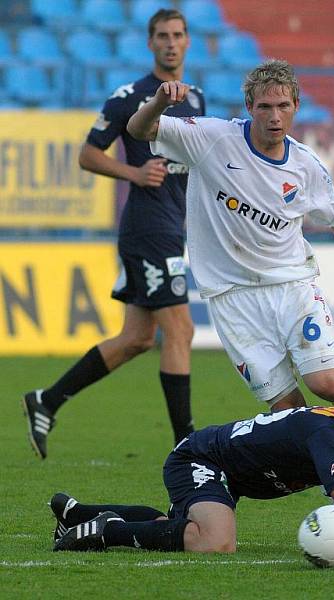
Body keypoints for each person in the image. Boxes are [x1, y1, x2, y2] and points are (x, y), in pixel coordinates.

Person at [125, 60, 334, 412]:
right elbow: (138, 130)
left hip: (292, 285)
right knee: (288, 411)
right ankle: (328, 461)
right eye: (265, 107)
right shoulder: (213, 137)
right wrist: (158, 102)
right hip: (232, 296)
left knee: (326, 385)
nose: (274, 116)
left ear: (296, 106)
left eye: (283, 106)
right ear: (249, 108)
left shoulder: (306, 165)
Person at [22, 9, 203, 459]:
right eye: (162, 35)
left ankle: (48, 400)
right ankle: (187, 445)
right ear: (149, 42)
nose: (170, 42)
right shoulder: (129, 96)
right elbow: (87, 154)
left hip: (172, 228)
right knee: (180, 330)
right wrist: (133, 173)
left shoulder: (196, 99)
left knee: (139, 338)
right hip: (147, 230)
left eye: (178, 35)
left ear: (188, 42)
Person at [51, 373, 334, 561]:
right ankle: (106, 532)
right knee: (215, 543)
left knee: (183, 529)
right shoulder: (327, 431)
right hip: (201, 458)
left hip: (234, 475)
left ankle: (78, 514)